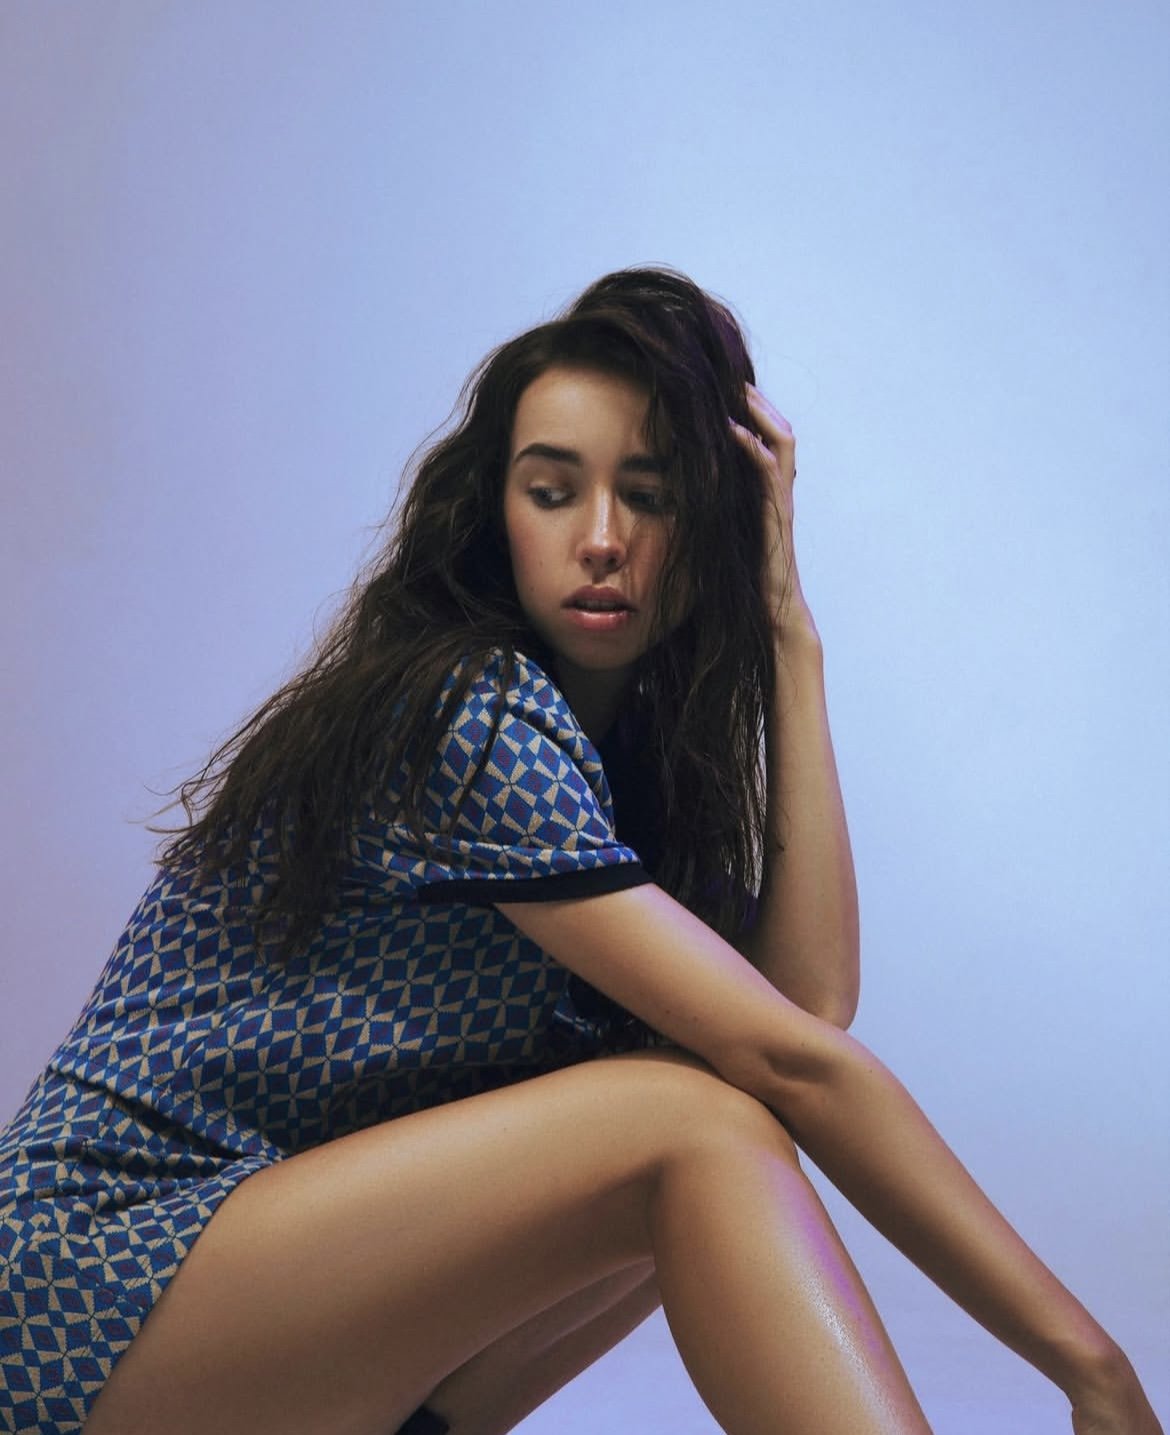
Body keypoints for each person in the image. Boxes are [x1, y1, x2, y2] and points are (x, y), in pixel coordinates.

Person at [0, 267, 1160, 1435]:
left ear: (710, 523)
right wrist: (1089, 1365)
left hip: (242, 1293)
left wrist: (788, 633)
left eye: (649, 497)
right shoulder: (468, 715)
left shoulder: (622, 773)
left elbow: (802, 1009)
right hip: (88, 1278)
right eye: (552, 493)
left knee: (717, 1097)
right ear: (495, 513)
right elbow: (797, 1058)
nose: (601, 540)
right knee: (691, 1123)